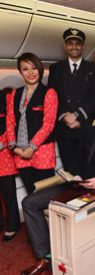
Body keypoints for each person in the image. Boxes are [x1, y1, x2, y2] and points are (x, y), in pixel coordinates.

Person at [21, 101, 95, 275]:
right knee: (29, 203)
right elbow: (75, 160)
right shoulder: (89, 133)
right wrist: (76, 175)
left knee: (68, 213)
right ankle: (45, 257)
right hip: (77, 185)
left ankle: (64, 260)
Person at [48, 28, 95, 173]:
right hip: (64, 128)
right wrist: (65, 116)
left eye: (77, 43)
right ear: (65, 46)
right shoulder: (56, 69)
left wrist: (77, 115)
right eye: (70, 43)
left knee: (85, 169)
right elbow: (52, 97)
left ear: (83, 46)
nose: (74, 47)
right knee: (68, 170)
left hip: (84, 125)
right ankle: (71, 196)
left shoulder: (93, 69)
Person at [6, 52, 58, 195]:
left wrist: (31, 147)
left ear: (40, 69)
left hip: (42, 152)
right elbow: (10, 121)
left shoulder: (49, 93)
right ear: (20, 72)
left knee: (47, 196)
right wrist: (13, 146)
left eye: (33, 68)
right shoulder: (15, 94)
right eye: (25, 69)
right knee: (32, 195)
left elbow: (48, 124)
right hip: (20, 153)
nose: (30, 73)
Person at [0, 87, 20, 241]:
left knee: (8, 192)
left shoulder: (5, 96)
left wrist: (2, 142)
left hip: (3, 152)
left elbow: (11, 122)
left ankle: (13, 224)